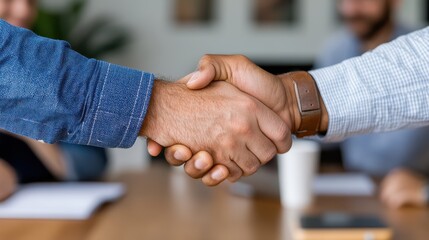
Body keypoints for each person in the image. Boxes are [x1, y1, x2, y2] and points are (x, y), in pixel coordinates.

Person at [2, 1, 429, 197]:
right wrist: (160, 107)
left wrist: (286, 101)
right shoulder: (337, 46)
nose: (24, 13)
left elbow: (87, 163)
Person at [313, 0, 429, 208]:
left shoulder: (421, 56)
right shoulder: (336, 51)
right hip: (355, 193)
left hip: (411, 199)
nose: (351, 9)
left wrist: (425, 189)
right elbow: (318, 129)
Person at [0, 0, 107, 200]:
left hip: (53, 213)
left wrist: (19, 118)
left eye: (31, 2)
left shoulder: (53, 69)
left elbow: (93, 162)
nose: (24, 10)